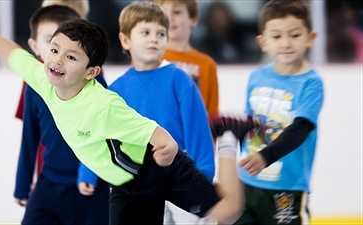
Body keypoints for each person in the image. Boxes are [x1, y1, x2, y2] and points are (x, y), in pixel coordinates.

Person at [0, 14, 243, 224]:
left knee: (229, 210)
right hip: (128, 187)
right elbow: (14, 54)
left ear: (91, 73)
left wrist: (167, 161)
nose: (57, 60)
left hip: (158, 168)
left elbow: (164, 140)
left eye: (71, 57)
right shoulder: (45, 79)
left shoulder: (103, 106)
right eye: (55, 50)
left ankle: (228, 138)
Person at [107, 2, 215, 224]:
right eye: (145, 32)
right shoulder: (116, 89)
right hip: (136, 181)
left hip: (178, 176)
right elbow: (106, 139)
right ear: (125, 40)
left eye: (161, 33)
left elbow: (198, 128)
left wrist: (203, 172)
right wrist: (88, 174)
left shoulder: (180, 80)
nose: (154, 38)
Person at [13, 5, 109, 225]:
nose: (59, 57)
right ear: (34, 46)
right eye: (52, 45)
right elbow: (29, 137)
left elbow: (104, 134)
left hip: (90, 187)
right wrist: (22, 184)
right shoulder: (32, 86)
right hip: (49, 183)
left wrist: (91, 175)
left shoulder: (95, 83)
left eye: (71, 49)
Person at [233, 0, 324, 224]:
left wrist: (266, 156)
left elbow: (300, 128)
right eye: (276, 36)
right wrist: (225, 129)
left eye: (294, 35)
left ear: (310, 38)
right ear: (263, 42)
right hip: (248, 183)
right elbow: (251, 124)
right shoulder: (256, 77)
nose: (285, 43)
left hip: (287, 187)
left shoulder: (310, 83)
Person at [153, 0, 218, 118]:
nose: (169, 18)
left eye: (176, 12)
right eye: (162, 13)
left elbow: (212, 115)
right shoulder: (147, 58)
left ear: (193, 19)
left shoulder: (207, 64)